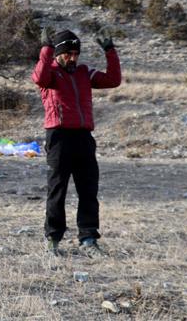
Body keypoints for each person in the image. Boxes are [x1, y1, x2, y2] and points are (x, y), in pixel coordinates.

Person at [31, 29, 121, 257]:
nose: (72, 58)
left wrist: (110, 52)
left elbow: (113, 80)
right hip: (58, 136)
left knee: (88, 190)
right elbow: (38, 78)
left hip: (83, 138)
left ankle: (89, 238)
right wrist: (46, 50)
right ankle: (53, 240)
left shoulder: (84, 73)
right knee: (57, 190)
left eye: (76, 53)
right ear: (58, 53)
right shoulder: (49, 73)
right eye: (67, 53)